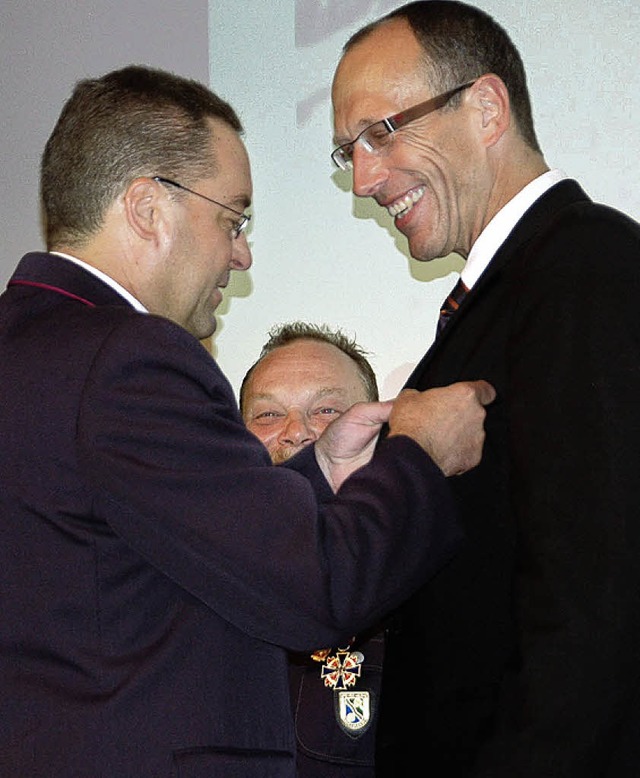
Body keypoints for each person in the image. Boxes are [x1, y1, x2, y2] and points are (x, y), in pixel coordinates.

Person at [0, 64, 496, 776]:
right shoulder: (127, 358)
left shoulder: (29, 349)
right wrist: (416, 454)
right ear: (148, 207)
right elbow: (315, 591)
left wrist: (321, 469)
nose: (242, 253)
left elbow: (150, 546)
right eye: (232, 218)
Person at [331, 2, 640, 776]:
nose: (365, 178)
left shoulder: (586, 268)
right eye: (349, 152)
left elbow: (595, 602)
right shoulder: (515, 289)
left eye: (381, 133)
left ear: (488, 107)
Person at [241, 321, 383, 776]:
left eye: (325, 410)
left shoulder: (423, 584)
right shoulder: (195, 593)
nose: (297, 433)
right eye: (267, 415)